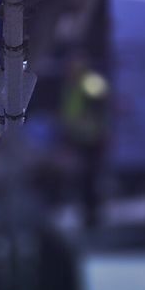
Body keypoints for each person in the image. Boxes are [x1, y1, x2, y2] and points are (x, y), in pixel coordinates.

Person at [58, 55, 110, 228]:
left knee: (89, 178)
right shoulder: (72, 85)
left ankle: (93, 214)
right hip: (79, 137)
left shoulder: (90, 83)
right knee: (82, 178)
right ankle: (88, 213)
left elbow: (99, 104)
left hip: (91, 138)